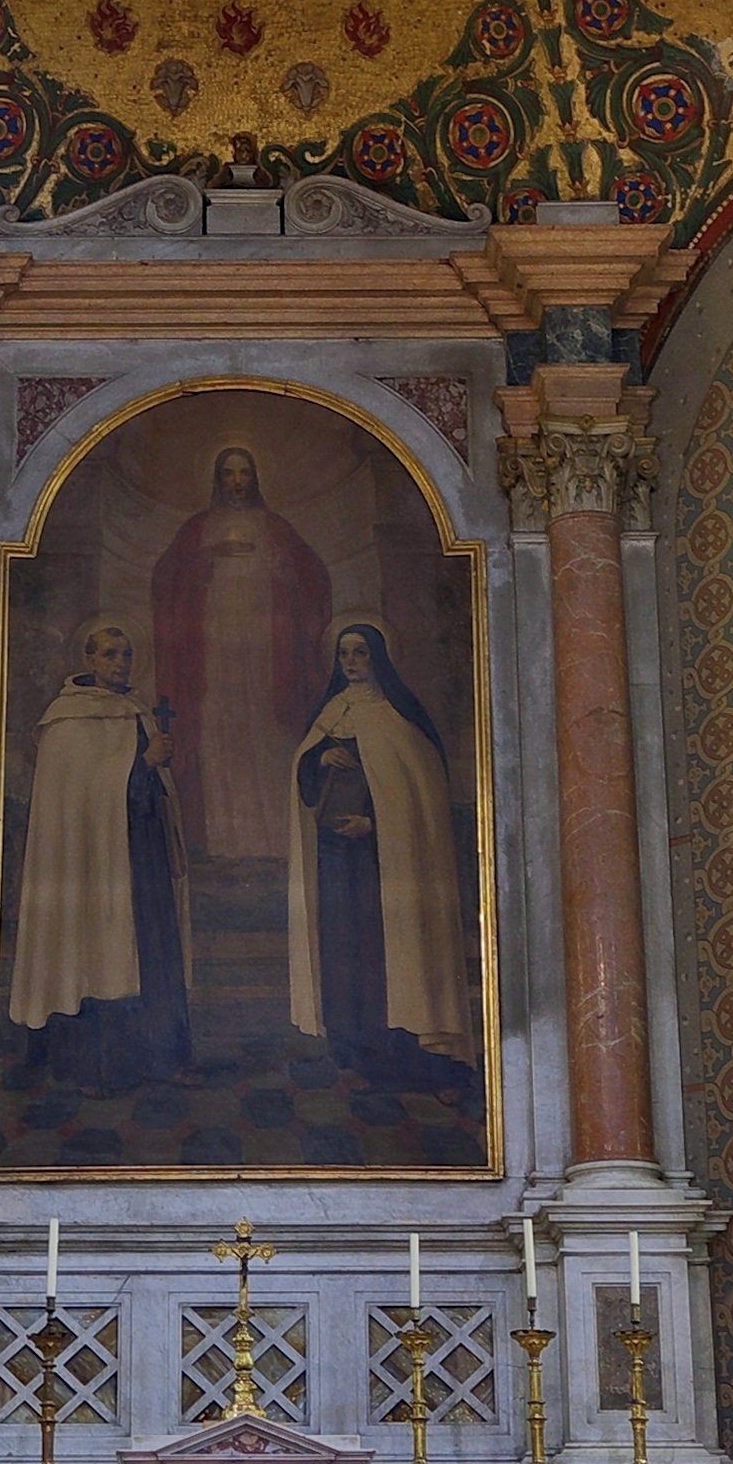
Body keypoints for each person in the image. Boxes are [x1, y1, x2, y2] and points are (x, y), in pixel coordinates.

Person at [286, 621, 479, 1085]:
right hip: (334, 856)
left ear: (378, 659)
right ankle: (348, 1043)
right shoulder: (331, 715)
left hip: (383, 862)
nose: (350, 663)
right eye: (344, 654)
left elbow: (418, 798)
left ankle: (393, 1046)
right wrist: (317, 760)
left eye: (360, 653)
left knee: (383, 951)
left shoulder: (400, 719)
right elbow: (306, 785)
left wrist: (374, 823)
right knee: (340, 948)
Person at [6, 617, 193, 1088]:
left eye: (126, 654)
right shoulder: (67, 720)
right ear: (88, 659)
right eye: (109, 654)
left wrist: (155, 771)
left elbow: (144, 788)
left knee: (145, 952)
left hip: (139, 854)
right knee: (91, 953)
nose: (119, 663)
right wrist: (142, 765)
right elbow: (79, 796)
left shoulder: (136, 711)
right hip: (88, 864)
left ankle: (157, 1058)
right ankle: (95, 1066)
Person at [150, 442, 331, 863]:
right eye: (228, 474)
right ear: (217, 478)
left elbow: (314, 582)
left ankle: (274, 845)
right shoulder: (197, 530)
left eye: (243, 474)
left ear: (254, 478)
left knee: (268, 734)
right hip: (213, 657)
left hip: (268, 656)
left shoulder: (276, 528)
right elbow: (166, 581)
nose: (236, 482)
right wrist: (204, 561)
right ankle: (222, 846)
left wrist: (283, 570)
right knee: (218, 734)